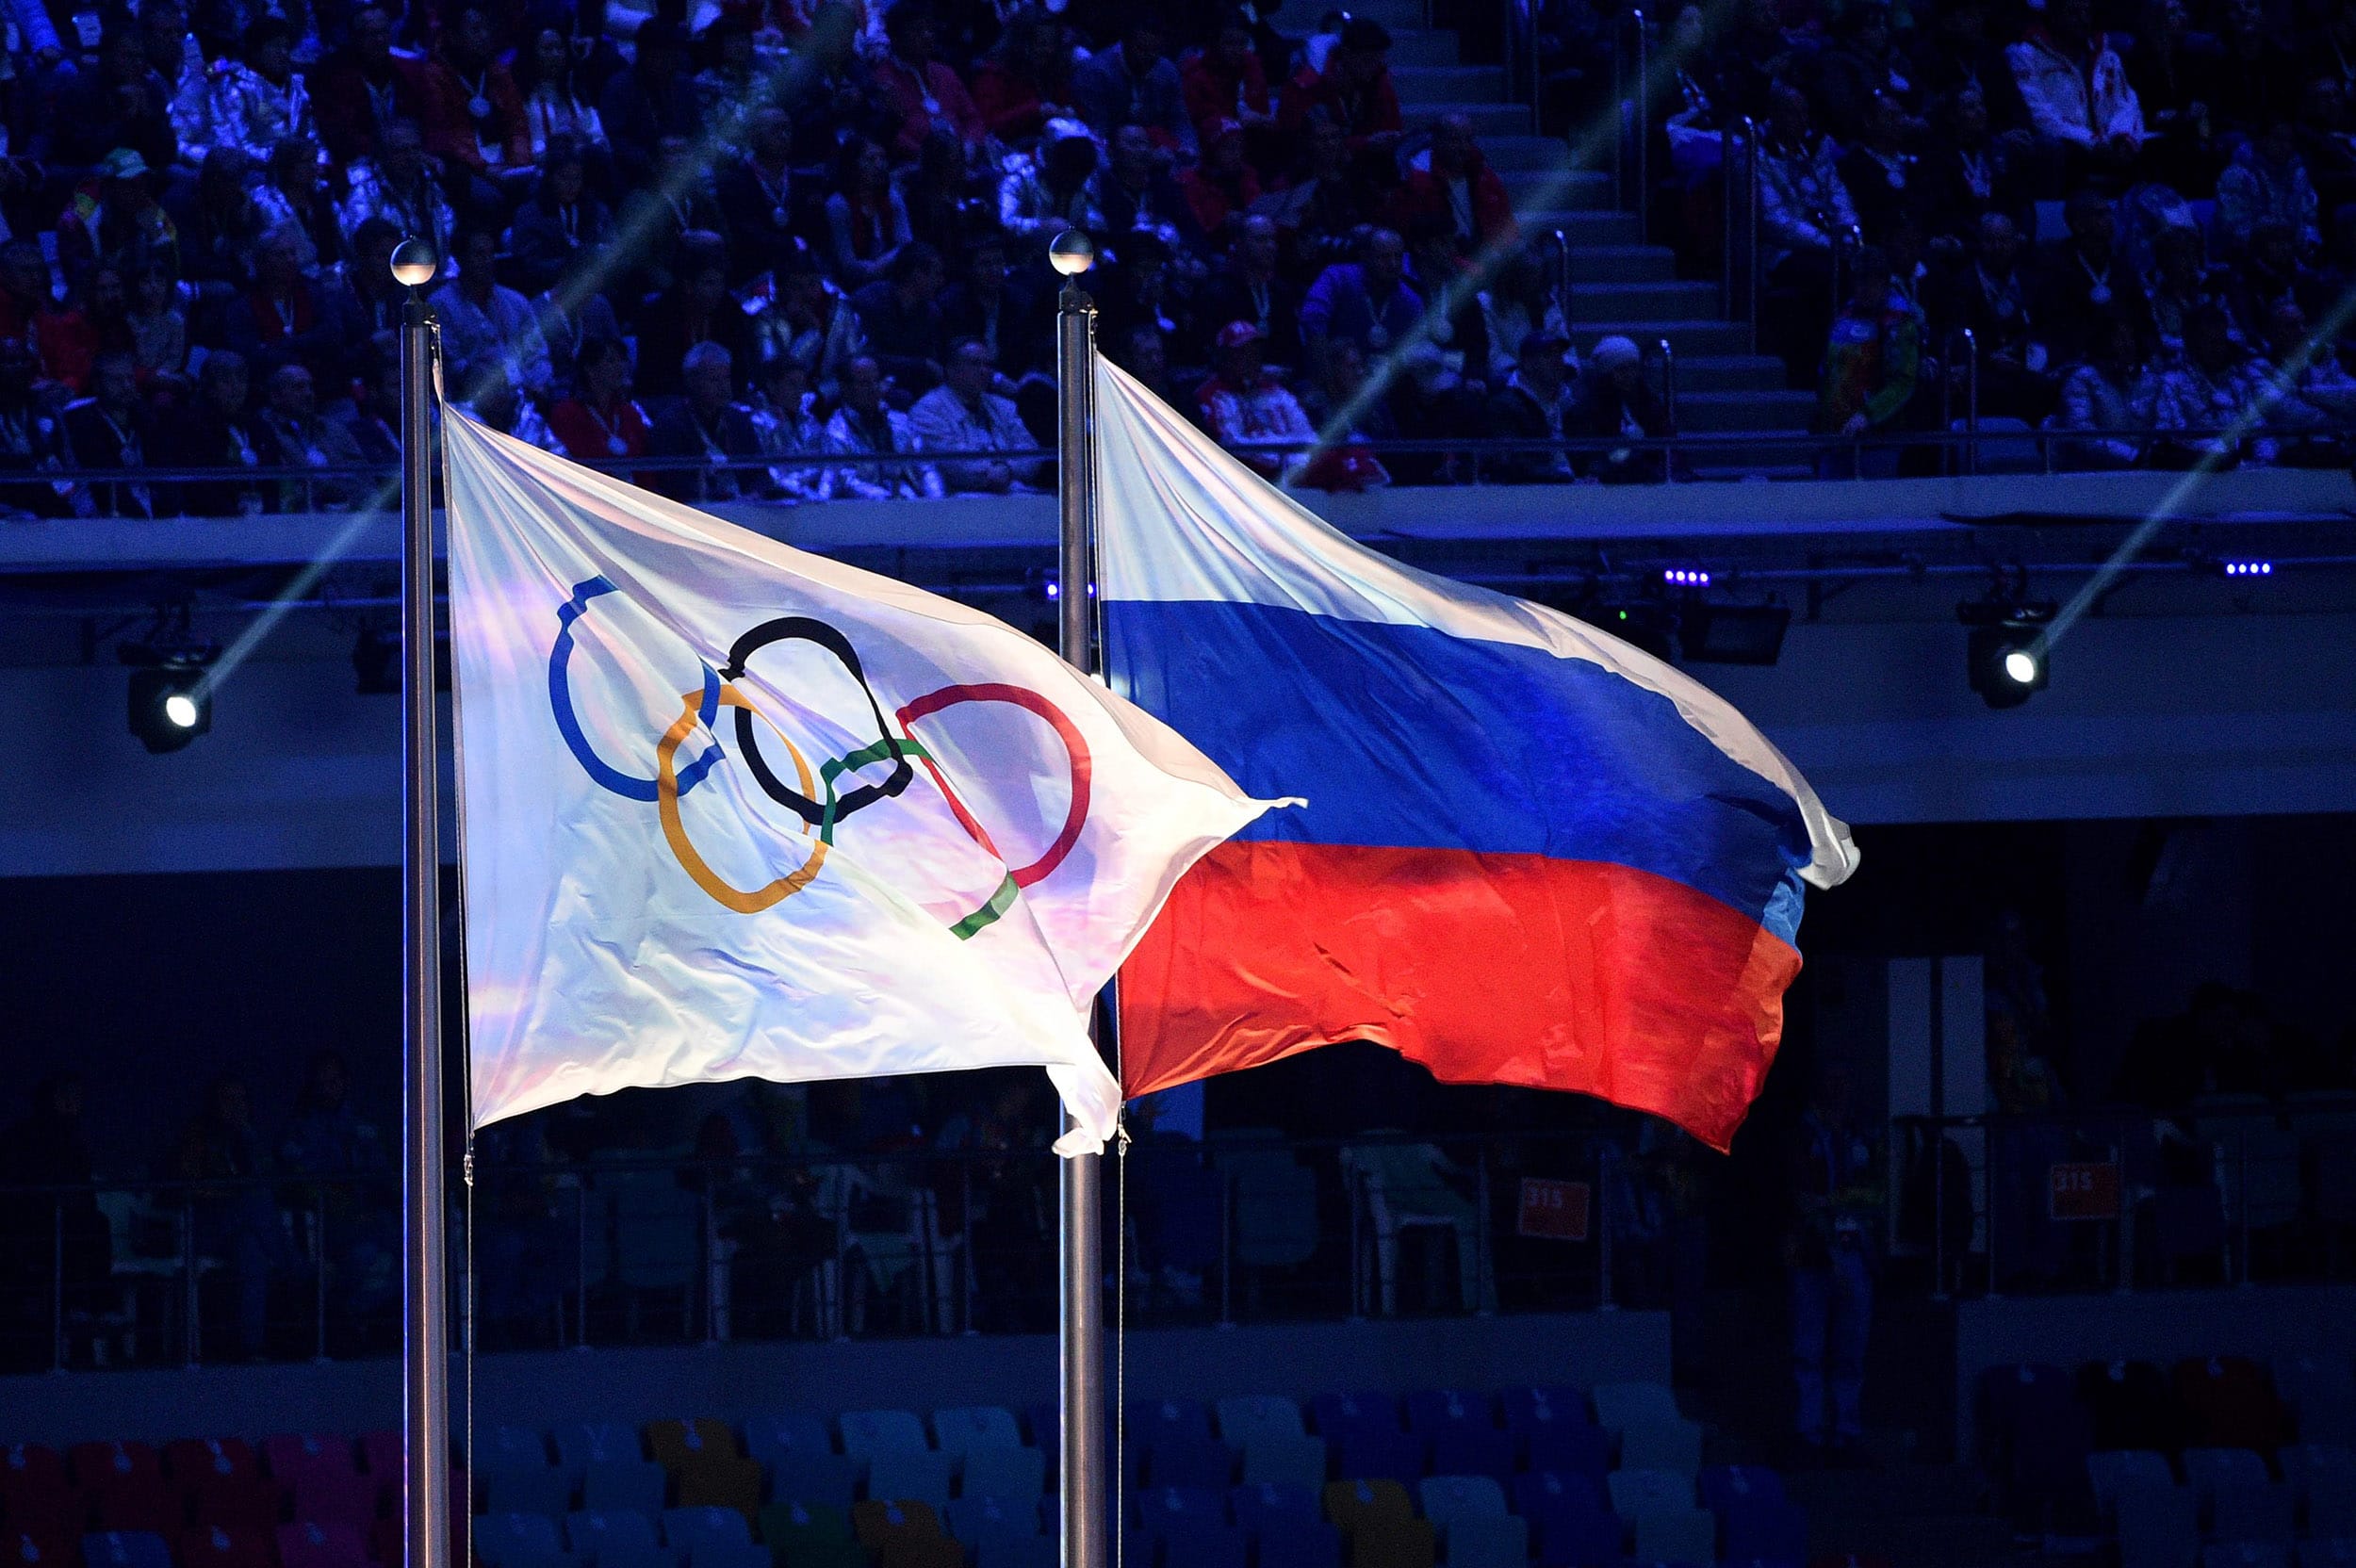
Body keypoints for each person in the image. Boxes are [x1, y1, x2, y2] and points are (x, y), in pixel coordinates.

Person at [1786, 1058, 1881, 1466]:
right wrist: (1827, 1238)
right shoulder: (1800, 1134)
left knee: (1851, 1349)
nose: (1842, 1091)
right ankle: (1808, 1432)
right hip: (1809, 1257)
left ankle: (1846, 1432)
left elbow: (1875, 1192)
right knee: (1808, 1348)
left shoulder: (1859, 1134)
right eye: (1833, 1082)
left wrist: (1841, 1205)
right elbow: (1800, 1197)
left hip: (1855, 1252)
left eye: (1846, 1082)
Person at [2006, 0, 2143, 178]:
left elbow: (2125, 103)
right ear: (2053, 15)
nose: (2082, 20)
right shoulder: (2025, 55)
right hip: (2068, 151)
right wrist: (2090, 141)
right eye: (2073, 12)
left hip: (2111, 146)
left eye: (2086, 11)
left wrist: (2122, 137)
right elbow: (2038, 114)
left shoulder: (2106, 54)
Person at [1815, 247, 1920, 478]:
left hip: (1878, 437)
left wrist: (1868, 415)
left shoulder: (1899, 322)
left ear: (1883, 282)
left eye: (1870, 281)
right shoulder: (1845, 316)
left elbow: (1903, 381)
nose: (1863, 288)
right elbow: (1828, 371)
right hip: (1836, 435)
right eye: (1859, 280)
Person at [908, 338, 1046, 493]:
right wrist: (991, 472)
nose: (984, 371)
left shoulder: (1003, 406)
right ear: (951, 369)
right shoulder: (927, 410)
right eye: (975, 364)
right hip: (957, 500)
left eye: (988, 365)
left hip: (1014, 491)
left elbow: (1032, 451)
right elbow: (951, 462)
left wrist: (1007, 469)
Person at [433, 229, 552, 407]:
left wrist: (538, 384)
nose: (487, 261)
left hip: (525, 398)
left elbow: (538, 354)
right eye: (479, 254)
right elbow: (452, 365)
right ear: (460, 258)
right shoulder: (440, 305)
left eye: (490, 253)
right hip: (468, 404)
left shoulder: (516, 301)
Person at [635, 236, 753, 401]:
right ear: (688, 285)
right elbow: (654, 377)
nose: (717, 291)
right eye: (709, 283)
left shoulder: (730, 311)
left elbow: (741, 368)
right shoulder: (658, 315)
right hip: (672, 400)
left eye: (720, 283)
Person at [163, 351, 281, 515]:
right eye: (225, 379)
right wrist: (231, 515)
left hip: (262, 522)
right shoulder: (189, 426)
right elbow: (198, 487)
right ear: (207, 384)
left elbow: (273, 481)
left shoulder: (259, 427)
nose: (236, 387)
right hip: (212, 525)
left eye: (241, 378)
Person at [647, 342, 764, 502]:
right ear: (692, 382)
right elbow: (674, 482)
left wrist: (756, 493)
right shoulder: (671, 424)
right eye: (715, 380)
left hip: (745, 506)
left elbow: (759, 472)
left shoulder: (738, 420)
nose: (724, 388)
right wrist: (719, 497)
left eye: (726, 378)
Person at [1195, 320, 1313, 478]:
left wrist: (1302, 462)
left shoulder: (1276, 391)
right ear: (1225, 358)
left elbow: (1305, 433)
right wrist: (1284, 463)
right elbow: (1232, 445)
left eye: (1255, 351)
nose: (1252, 358)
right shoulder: (1212, 395)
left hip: (1298, 473)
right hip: (1249, 480)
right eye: (1243, 352)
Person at [1072, 11, 1196, 158]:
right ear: (1125, 44)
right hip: (1110, 152)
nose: (1149, 57)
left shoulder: (1167, 71)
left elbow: (1179, 120)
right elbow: (1096, 130)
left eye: (1155, 50)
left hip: (1158, 151)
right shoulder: (1095, 73)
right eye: (1142, 49)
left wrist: (1186, 149)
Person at [873, 4, 985, 162]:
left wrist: (970, 144)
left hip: (963, 156)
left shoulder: (945, 73)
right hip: (918, 168)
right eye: (918, 31)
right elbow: (894, 136)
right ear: (896, 38)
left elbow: (972, 118)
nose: (927, 35)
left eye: (929, 29)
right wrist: (933, 160)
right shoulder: (884, 81)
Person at [1301, 226, 1421, 373]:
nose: (1393, 264)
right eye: (1384, 257)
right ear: (1365, 257)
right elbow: (1313, 319)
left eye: (1398, 257)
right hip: (1335, 374)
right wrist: (1326, 376)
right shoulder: (1336, 277)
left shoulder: (1410, 300)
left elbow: (1416, 342)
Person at [1392, 111, 1514, 251]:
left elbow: (1505, 220)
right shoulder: (1418, 180)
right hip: (1442, 258)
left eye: (1468, 140)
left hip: (1487, 254)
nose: (1463, 147)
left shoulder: (1484, 176)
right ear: (1436, 141)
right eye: (1455, 140)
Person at [824, 354, 941, 498]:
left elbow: (926, 468)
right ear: (845, 388)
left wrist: (936, 501)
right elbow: (845, 480)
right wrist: (886, 500)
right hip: (866, 512)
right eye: (865, 383)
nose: (874, 388)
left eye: (877, 381)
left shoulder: (901, 421)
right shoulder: (836, 432)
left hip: (913, 503)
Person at [505, 140, 612, 297]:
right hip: (551, 292)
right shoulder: (529, 215)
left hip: (597, 285)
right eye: (564, 177)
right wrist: (572, 263)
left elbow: (611, 244)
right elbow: (529, 265)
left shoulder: (595, 209)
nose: (571, 185)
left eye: (576, 178)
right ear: (549, 178)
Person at [938, 233, 1047, 382]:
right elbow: (953, 357)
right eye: (985, 264)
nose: (994, 270)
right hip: (965, 382)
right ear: (970, 269)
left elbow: (1031, 352)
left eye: (998, 262)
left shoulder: (1021, 302)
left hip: (1014, 381)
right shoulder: (951, 304)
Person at [257, 362, 368, 511]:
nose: (309, 393)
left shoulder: (335, 430)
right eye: (299, 387)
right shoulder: (265, 431)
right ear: (276, 396)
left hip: (347, 515)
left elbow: (363, 477)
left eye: (310, 386)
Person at [1199, 215, 1302, 371]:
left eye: (1272, 239)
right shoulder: (1217, 293)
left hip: (1279, 381)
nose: (1270, 246)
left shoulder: (1280, 292)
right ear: (1239, 244)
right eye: (1261, 240)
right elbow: (1212, 348)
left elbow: (1292, 344)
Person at [717, 108, 808, 286]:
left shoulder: (799, 179)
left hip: (801, 268)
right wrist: (790, 243)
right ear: (754, 136)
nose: (783, 136)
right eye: (775, 130)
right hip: (754, 272)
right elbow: (744, 232)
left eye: (787, 129)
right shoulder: (734, 180)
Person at [207, 17, 314, 166]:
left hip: (304, 169)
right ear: (255, 51)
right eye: (276, 46)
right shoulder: (235, 86)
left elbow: (312, 134)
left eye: (286, 47)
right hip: (259, 174)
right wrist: (284, 159)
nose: (283, 53)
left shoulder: (298, 85)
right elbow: (238, 145)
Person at [2052, 311, 2150, 468]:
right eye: (2119, 337)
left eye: (2130, 336)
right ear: (2103, 341)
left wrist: (2155, 455)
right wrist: (2133, 457)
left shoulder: (2149, 377)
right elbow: (2084, 436)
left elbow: (2164, 425)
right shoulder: (2081, 380)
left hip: (2149, 472)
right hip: (2096, 477)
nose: (2128, 344)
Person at [62, 352, 155, 517]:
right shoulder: (83, 421)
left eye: (129, 379)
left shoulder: (145, 415)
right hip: (97, 509)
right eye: (117, 381)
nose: (127, 386)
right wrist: (144, 522)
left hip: (144, 501)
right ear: (97, 385)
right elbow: (102, 485)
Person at [1572, 334, 1674, 482]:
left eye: (1634, 368)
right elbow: (1591, 460)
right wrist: (1628, 449)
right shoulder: (1587, 409)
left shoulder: (1648, 402)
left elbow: (1665, 443)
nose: (1629, 375)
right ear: (1605, 373)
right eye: (1621, 370)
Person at [2216, 116, 2321, 256]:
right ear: (2261, 139)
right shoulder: (2236, 175)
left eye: (2289, 141)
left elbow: (2309, 218)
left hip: (2292, 255)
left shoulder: (2299, 174)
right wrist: (2268, 241)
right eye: (2279, 139)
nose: (2285, 146)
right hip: (2247, 257)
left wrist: (2309, 244)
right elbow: (2235, 225)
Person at [1483, 328, 1579, 482]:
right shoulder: (1504, 405)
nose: (1558, 361)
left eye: (1560, 354)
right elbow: (1511, 460)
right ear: (1528, 364)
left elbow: (1588, 452)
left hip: (1577, 487)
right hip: (1531, 491)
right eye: (1548, 356)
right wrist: (1557, 476)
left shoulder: (1572, 399)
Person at [851, 242, 949, 394]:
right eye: (936, 274)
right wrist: (922, 365)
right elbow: (864, 356)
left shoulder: (932, 312)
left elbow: (932, 362)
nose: (941, 281)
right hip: (868, 385)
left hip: (912, 387)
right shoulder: (868, 301)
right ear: (916, 274)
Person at [822, 135, 913, 290]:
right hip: (850, 286)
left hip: (893, 279)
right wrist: (885, 264)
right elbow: (848, 266)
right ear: (852, 167)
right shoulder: (838, 206)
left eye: (882, 158)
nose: (880, 165)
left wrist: (880, 265)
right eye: (871, 160)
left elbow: (907, 245)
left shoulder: (892, 197)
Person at [548, 336, 649, 463]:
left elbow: (645, 466)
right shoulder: (566, 414)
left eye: (622, 360)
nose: (620, 367)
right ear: (590, 369)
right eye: (611, 361)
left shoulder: (630, 414)